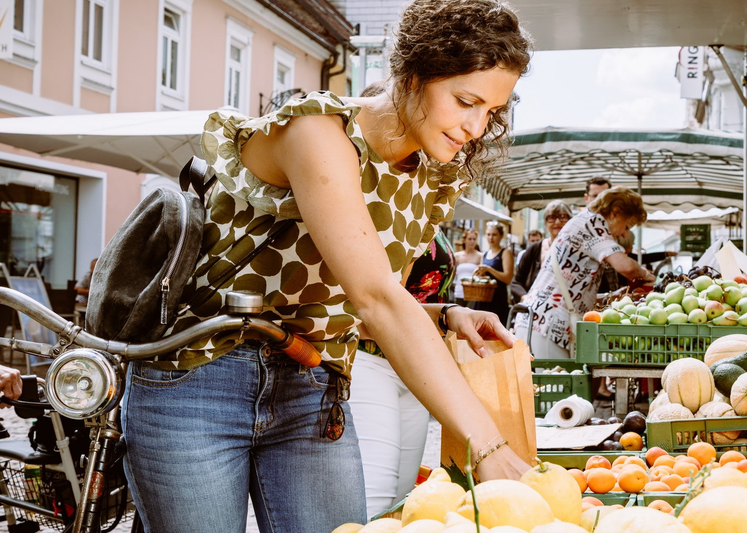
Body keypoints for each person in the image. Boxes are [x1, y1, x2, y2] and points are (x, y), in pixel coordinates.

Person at [120, 1, 533, 531]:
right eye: (466, 101)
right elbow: (375, 298)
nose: (476, 127)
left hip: (312, 381)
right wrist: (488, 444)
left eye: (491, 112)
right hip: (199, 376)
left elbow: (352, 303)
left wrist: (444, 314)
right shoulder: (317, 129)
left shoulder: (431, 174)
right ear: (413, 74)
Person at [349, 230, 455, 517]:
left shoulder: (432, 209)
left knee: (401, 503)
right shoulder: (381, 209)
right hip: (369, 358)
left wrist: (449, 315)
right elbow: (370, 304)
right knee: (375, 503)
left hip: (416, 362)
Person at [514, 187, 655, 359]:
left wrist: (611, 296)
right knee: (554, 377)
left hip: (541, 323)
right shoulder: (594, 224)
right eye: (627, 226)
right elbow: (627, 268)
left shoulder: (585, 221)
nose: (625, 234)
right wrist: (648, 276)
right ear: (615, 213)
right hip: (546, 325)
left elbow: (574, 292)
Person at [510, 200, 572, 302]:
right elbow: (516, 283)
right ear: (545, 222)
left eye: (562, 217)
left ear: (570, 220)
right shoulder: (534, 249)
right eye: (552, 217)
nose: (557, 222)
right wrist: (526, 299)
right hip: (535, 307)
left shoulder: (578, 250)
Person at [473, 222, 514, 325]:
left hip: (498, 299)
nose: (491, 238)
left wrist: (489, 269)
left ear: (501, 236)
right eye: (488, 234)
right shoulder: (484, 254)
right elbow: (481, 276)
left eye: (494, 234)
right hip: (483, 297)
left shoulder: (505, 253)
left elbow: (508, 279)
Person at [453, 228, 483, 306]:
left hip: (473, 292)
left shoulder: (480, 256)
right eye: (470, 239)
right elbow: (452, 274)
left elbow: (481, 274)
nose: (472, 241)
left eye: (474, 239)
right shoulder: (457, 256)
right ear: (464, 240)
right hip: (459, 291)